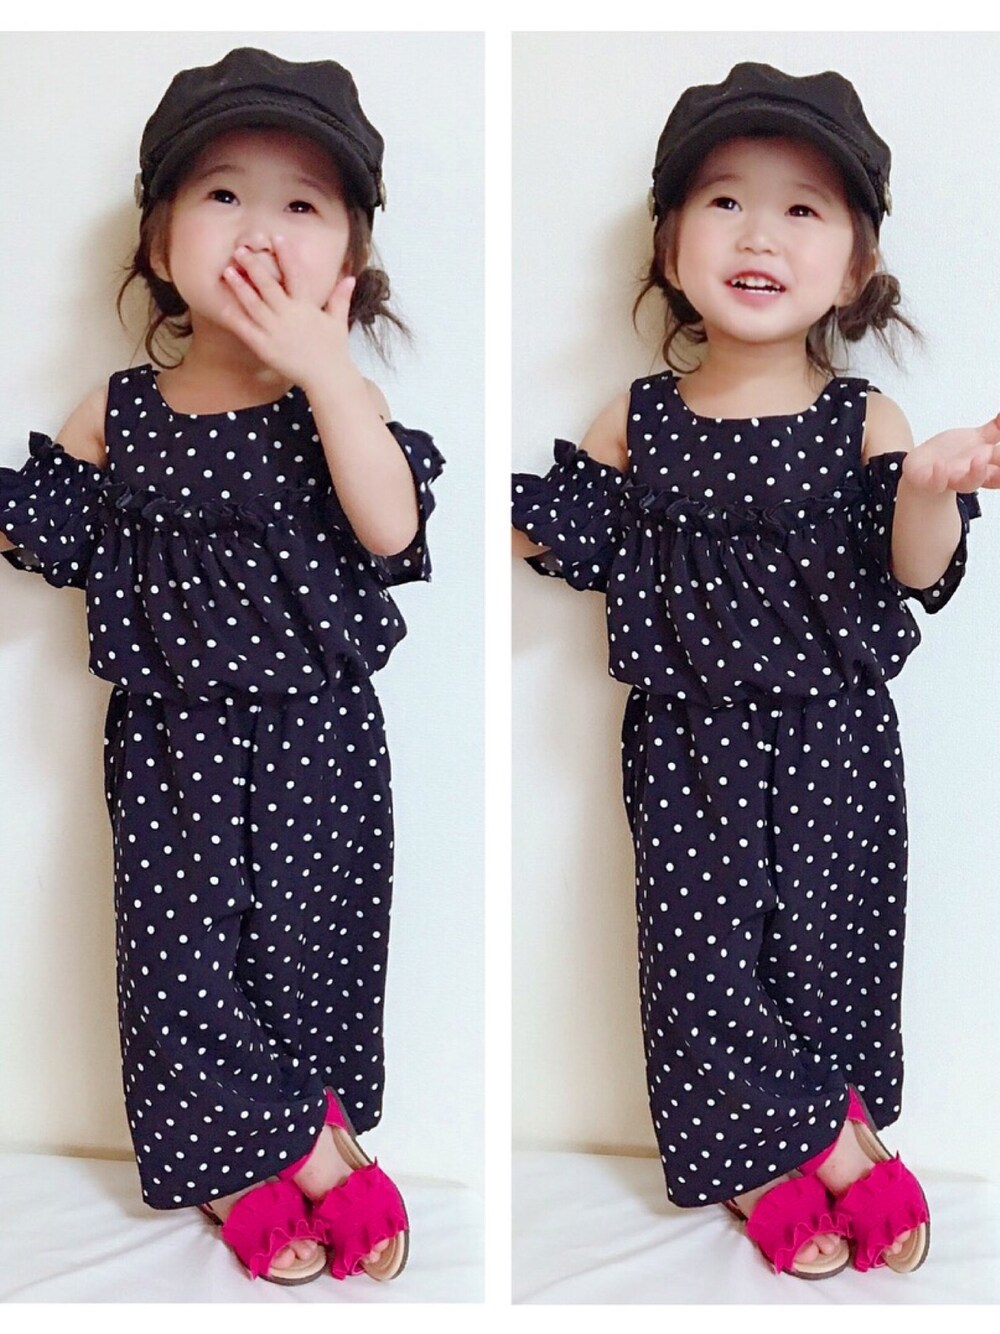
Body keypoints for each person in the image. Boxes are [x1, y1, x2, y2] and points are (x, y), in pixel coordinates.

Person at [512, 63, 998, 1278]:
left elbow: (913, 569)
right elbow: (555, 532)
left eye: (802, 208)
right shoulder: (639, 418)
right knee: (702, 955)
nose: (759, 235)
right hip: (688, 741)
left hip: (835, 736)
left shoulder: (864, 419)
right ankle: (776, 1155)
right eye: (724, 201)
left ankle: (821, 1123)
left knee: (827, 940)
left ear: (857, 264)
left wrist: (929, 486)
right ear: (669, 243)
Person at [0, 46, 444, 1286]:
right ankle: (245, 1159)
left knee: (309, 936)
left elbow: (390, 529)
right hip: (170, 735)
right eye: (222, 194)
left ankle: (309, 1121)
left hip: (318, 730)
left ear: (349, 259)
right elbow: (40, 522)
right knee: (180, 953)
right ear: (157, 242)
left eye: (301, 203)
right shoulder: (120, 411)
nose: (258, 229)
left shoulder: (338, 403)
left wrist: (326, 370)